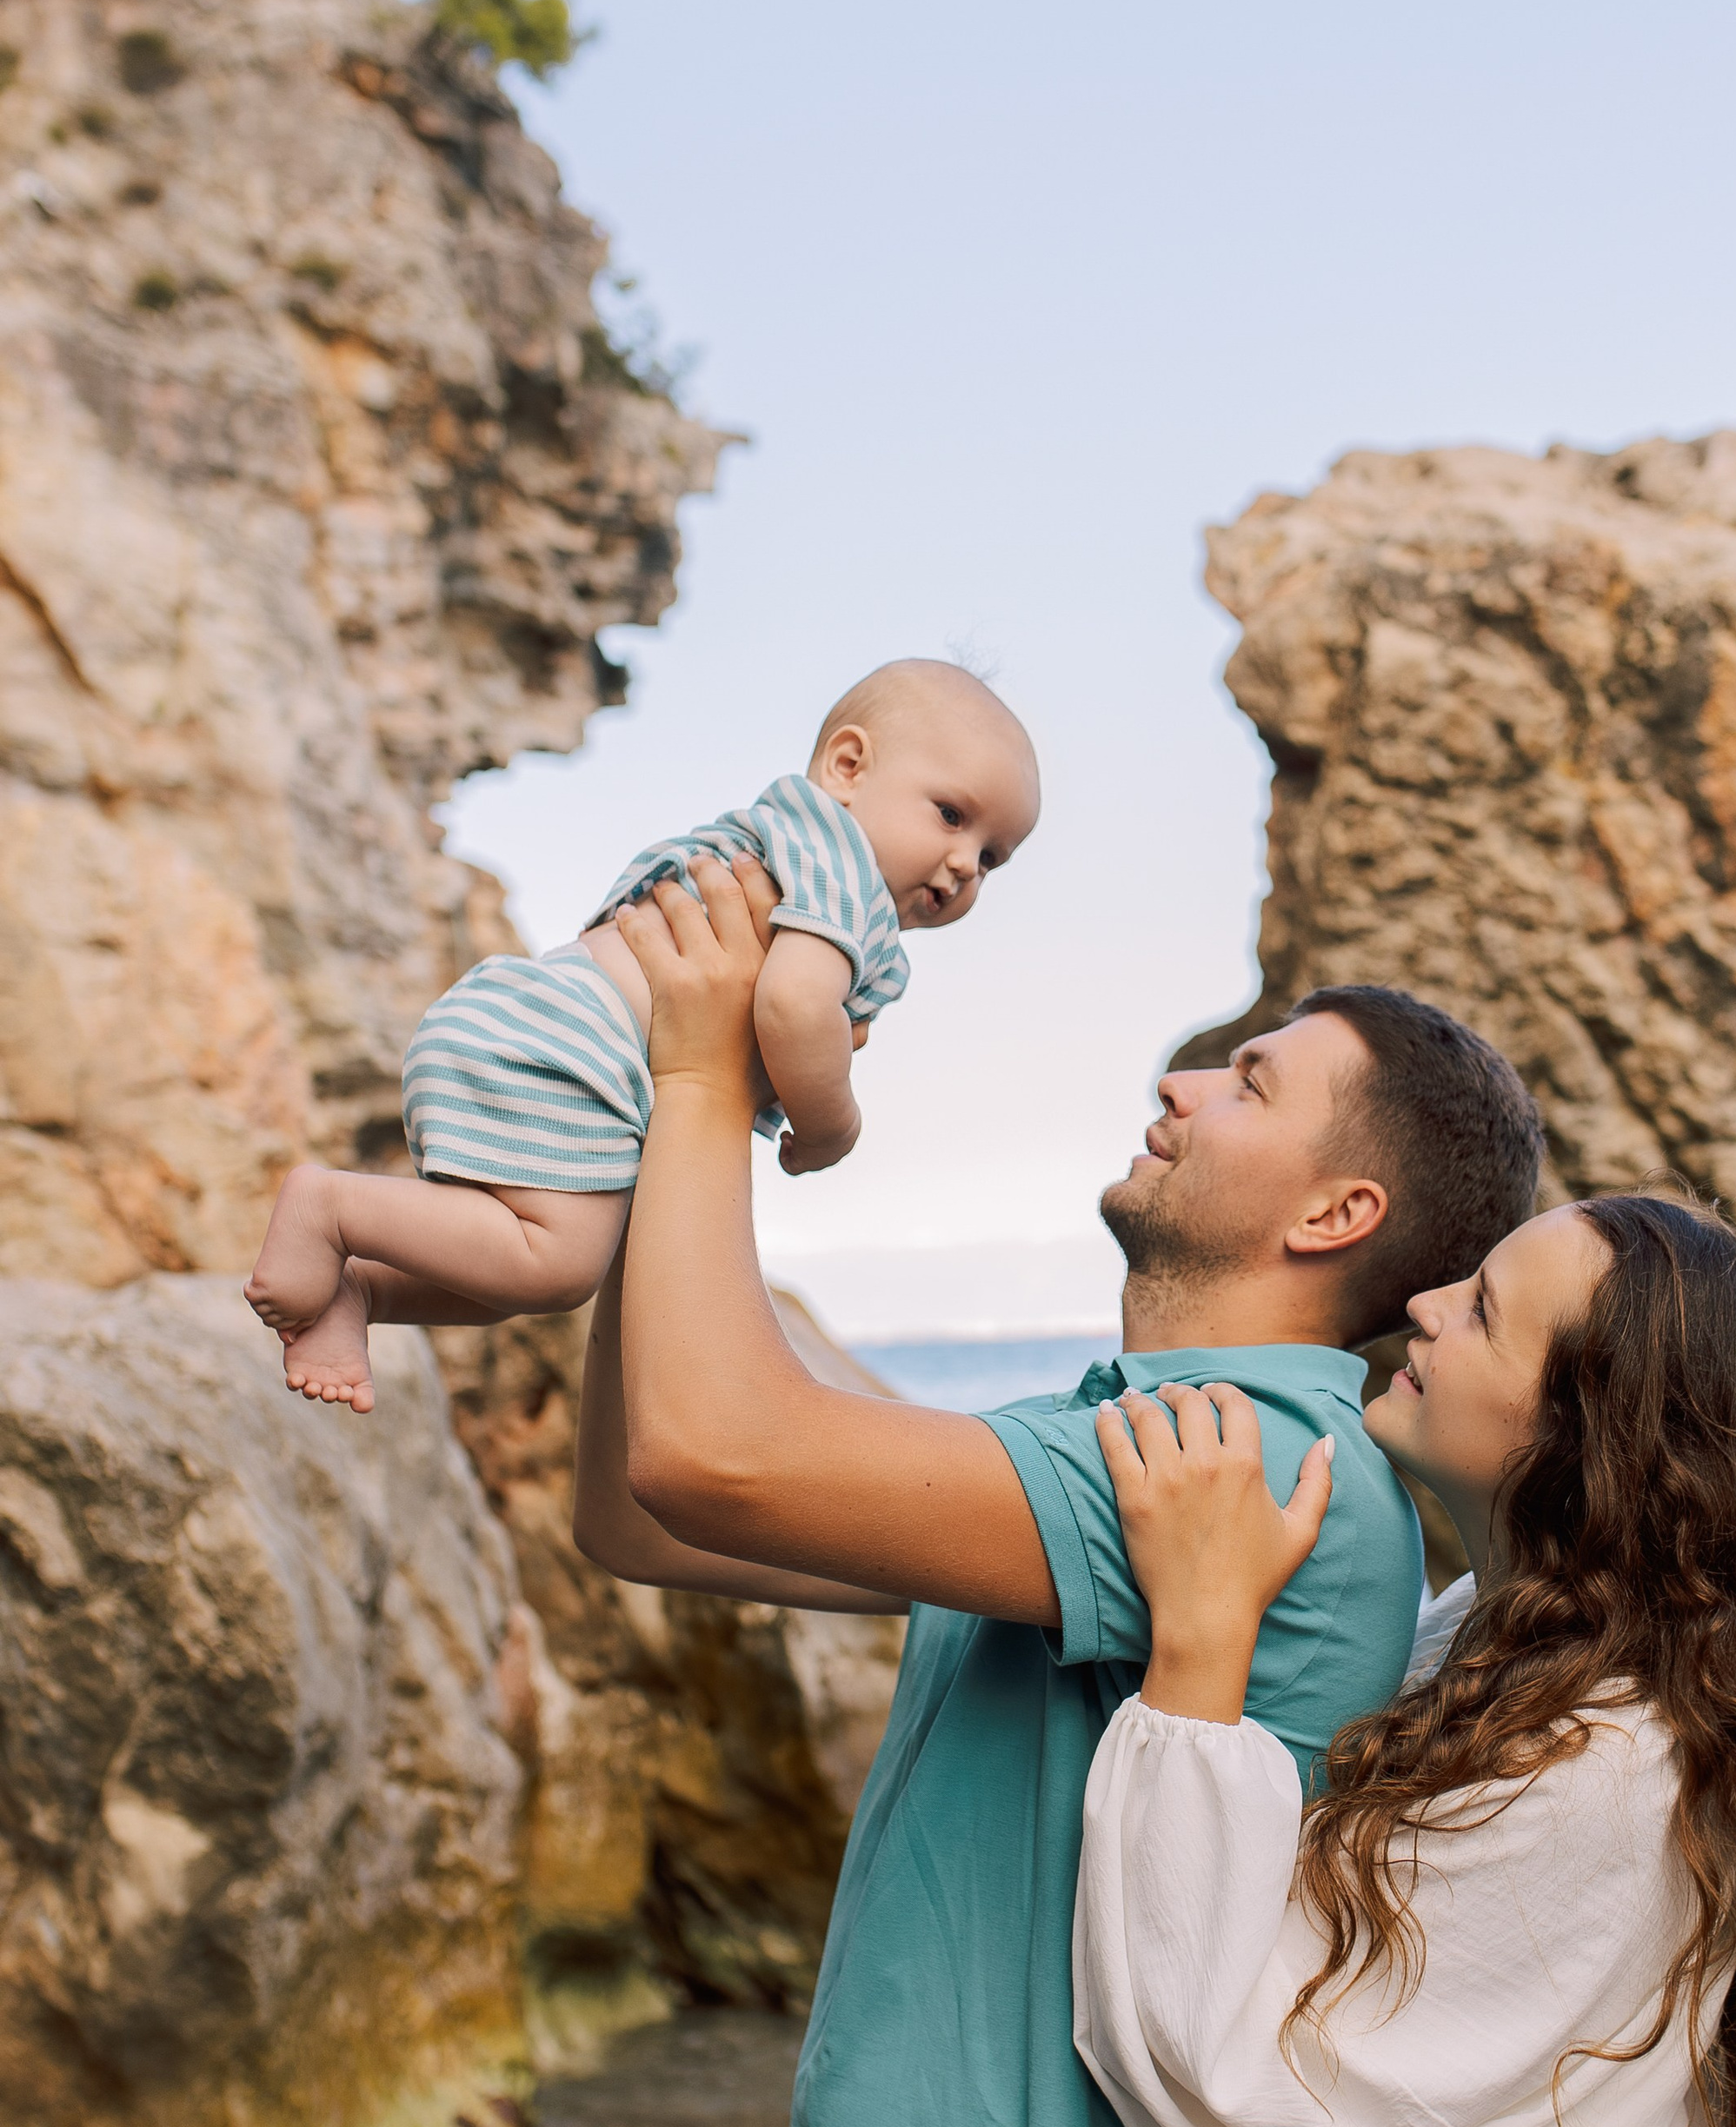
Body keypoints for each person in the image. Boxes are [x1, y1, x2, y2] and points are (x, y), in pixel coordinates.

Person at [566, 850, 1548, 2127]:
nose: (1180, 1081)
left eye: (1249, 1081)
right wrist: (657, 1135)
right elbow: (640, 1513)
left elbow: (714, 1453)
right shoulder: (1122, 1443)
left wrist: (703, 1080)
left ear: (1332, 1213)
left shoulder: (1237, 1453)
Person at [1073, 1194, 1736, 2127]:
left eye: (1481, 1310)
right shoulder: (1508, 1637)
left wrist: (1204, 1627)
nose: (1425, 1305)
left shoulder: (1607, 1765)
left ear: (1584, 1437)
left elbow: (1232, 2083)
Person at [243, 659, 1041, 1409]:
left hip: (529, 1027)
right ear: (848, 768)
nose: (966, 863)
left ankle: (364, 1286)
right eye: (950, 815)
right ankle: (333, 1208)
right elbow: (795, 1008)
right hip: (566, 1053)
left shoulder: (779, 839)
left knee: (520, 1271)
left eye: (995, 857)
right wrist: (834, 1124)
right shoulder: (840, 868)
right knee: (553, 1265)